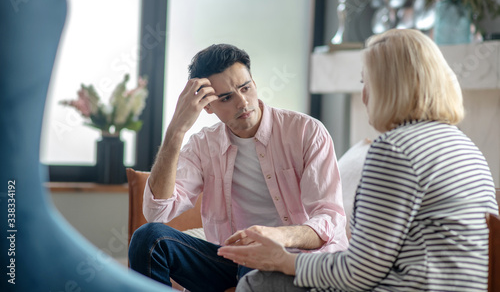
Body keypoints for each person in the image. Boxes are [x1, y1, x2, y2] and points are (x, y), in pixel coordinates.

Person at [218, 29, 499, 292]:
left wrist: (281, 260)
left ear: (389, 88)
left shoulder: (395, 150)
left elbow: (360, 271)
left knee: (261, 282)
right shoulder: (462, 143)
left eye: (367, 83)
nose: (364, 95)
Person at [128, 44, 349, 292]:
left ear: (254, 82)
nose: (242, 102)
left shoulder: (306, 132)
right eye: (226, 98)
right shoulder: (203, 145)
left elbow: (330, 219)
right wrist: (176, 130)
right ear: (207, 106)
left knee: (254, 258)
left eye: (245, 88)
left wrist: (276, 236)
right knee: (148, 239)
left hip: (297, 260)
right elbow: (157, 212)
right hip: (233, 261)